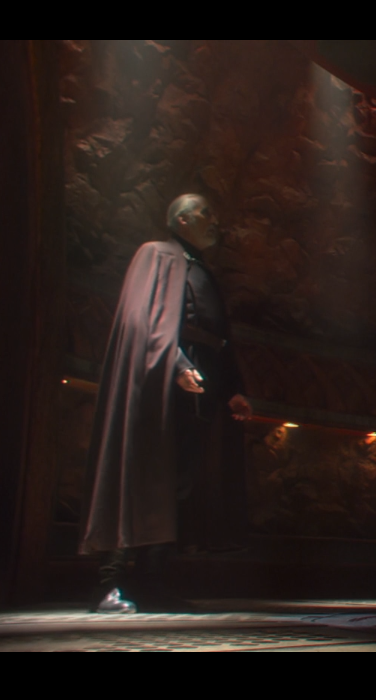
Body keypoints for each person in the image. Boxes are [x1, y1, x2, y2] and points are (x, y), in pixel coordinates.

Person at [79, 193, 253, 612]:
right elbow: (141, 318)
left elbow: (218, 336)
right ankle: (110, 582)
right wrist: (175, 363)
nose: (215, 220)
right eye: (205, 212)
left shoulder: (202, 270)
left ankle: (151, 582)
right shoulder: (156, 254)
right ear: (181, 219)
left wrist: (232, 388)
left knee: (177, 482)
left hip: (198, 390)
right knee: (136, 473)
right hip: (155, 387)